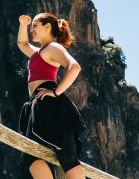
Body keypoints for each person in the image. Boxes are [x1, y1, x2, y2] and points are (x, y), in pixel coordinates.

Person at [17, 12, 87, 179]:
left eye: (35, 25)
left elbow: (74, 67)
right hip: (40, 103)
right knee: (36, 156)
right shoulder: (39, 52)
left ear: (47, 27)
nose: (32, 29)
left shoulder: (53, 48)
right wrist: (23, 25)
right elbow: (22, 43)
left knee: (61, 157)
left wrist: (55, 92)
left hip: (48, 103)